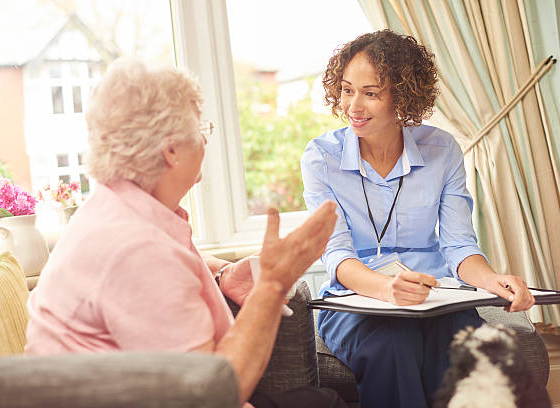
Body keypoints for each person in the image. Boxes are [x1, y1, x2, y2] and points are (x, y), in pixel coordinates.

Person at [24, 57, 345, 408]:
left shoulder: (118, 206)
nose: (206, 141)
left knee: (321, 400)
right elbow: (209, 395)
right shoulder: (136, 249)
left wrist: (221, 273)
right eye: (201, 128)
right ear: (172, 150)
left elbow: (164, 269)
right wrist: (272, 283)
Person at [300, 29, 536, 408]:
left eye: (370, 93)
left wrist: (491, 279)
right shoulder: (321, 158)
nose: (353, 106)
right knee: (393, 345)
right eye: (346, 90)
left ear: (403, 95)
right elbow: (337, 255)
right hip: (354, 298)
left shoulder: (442, 149)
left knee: (472, 353)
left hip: (436, 296)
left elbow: (459, 245)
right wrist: (385, 288)